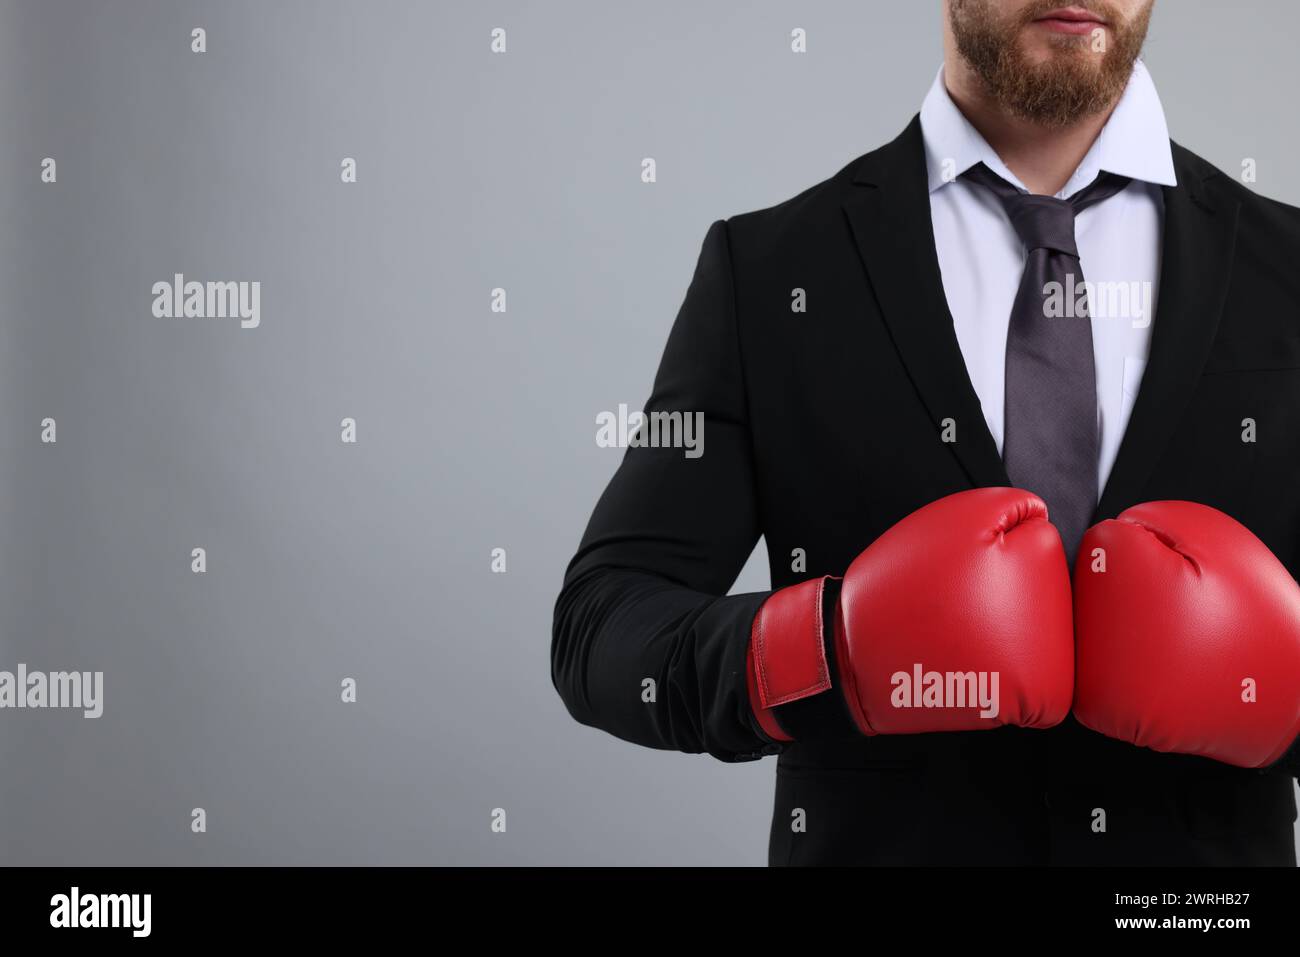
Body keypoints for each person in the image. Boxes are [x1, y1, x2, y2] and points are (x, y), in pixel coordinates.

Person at [551, 0, 1300, 865]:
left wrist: (1281, 685)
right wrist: (827, 649)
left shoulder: (1288, 271)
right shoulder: (771, 272)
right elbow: (600, 630)